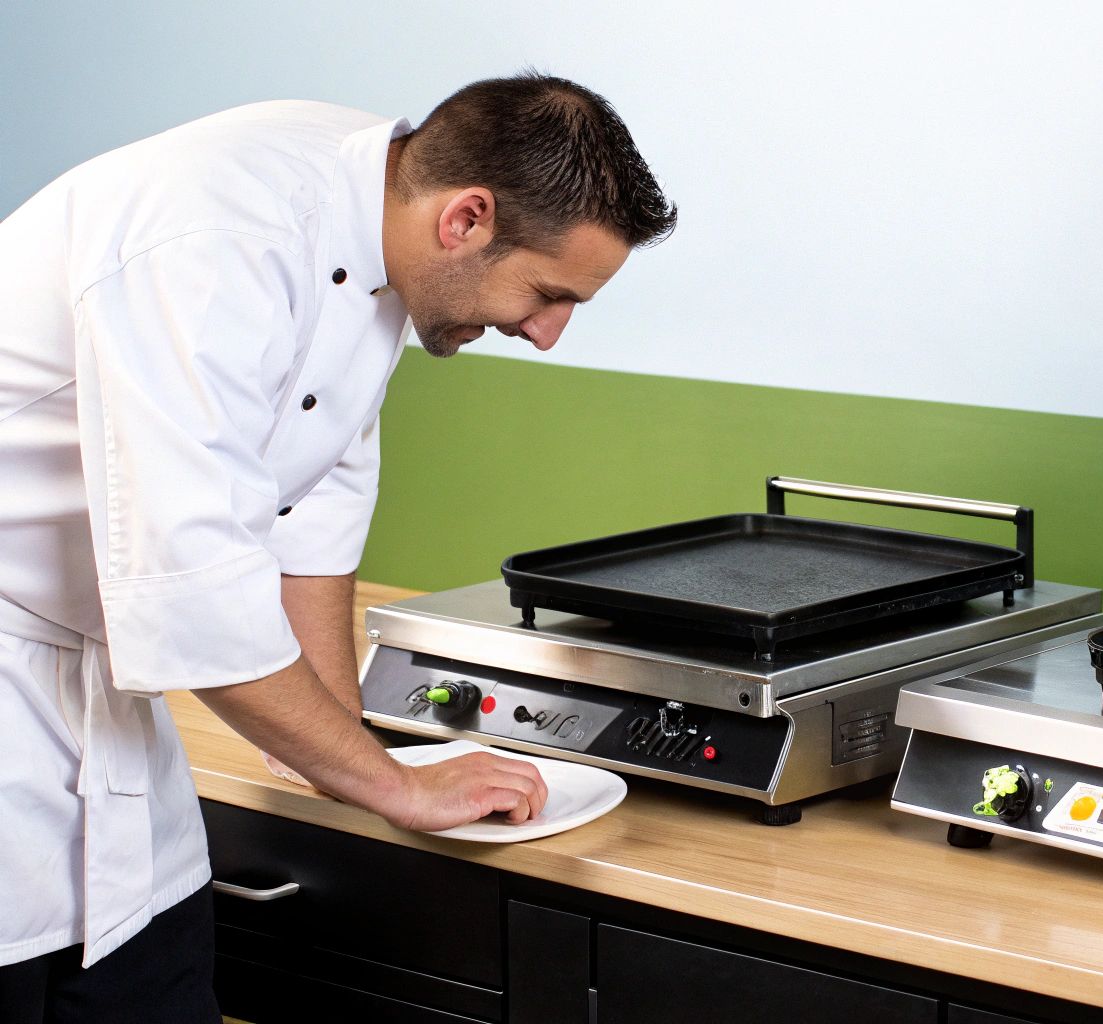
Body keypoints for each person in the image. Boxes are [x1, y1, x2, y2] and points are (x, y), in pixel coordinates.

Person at [0, 72, 676, 1021]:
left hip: (99, 693)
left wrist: (329, 736)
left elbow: (316, 499)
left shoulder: (378, 211)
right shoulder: (219, 236)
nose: (546, 334)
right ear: (468, 220)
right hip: (17, 671)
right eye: (549, 292)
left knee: (153, 980)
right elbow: (194, 592)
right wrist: (394, 786)